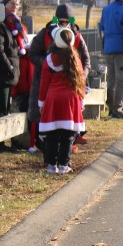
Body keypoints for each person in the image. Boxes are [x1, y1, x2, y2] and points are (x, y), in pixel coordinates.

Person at [28, 4, 90, 153]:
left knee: (69, 117)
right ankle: (45, 145)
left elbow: (86, 60)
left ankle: (68, 145)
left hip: (70, 84)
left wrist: (80, 75)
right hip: (46, 81)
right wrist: (49, 63)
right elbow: (33, 54)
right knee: (44, 115)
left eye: (67, 21)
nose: (64, 24)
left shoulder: (76, 36)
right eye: (61, 21)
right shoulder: (45, 34)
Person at [37, 27, 86, 175]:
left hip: (53, 98)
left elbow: (44, 84)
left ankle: (51, 165)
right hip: (71, 99)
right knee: (68, 134)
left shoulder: (49, 60)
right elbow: (81, 82)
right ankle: (64, 164)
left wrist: (41, 102)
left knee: (52, 134)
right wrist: (81, 101)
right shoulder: (75, 60)